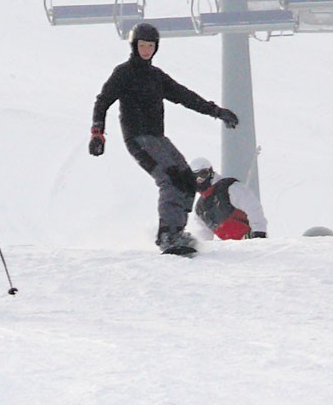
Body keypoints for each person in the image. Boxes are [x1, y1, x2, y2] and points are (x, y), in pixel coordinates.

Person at [89, 21, 239, 255]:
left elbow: (185, 96)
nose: (146, 50)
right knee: (169, 180)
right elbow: (103, 101)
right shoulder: (124, 73)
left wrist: (217, 111)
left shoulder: (156, 77)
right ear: (134, 46)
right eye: (142, 45)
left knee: (187, 180)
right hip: (138, 139)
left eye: (150, 46)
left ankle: (176, 231)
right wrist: (97, 133)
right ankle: (167, 235)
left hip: (158, 138)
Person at [189, 157, 268, 240]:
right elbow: (203, 236)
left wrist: (259, 232)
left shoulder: (229, 188)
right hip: (232, 250)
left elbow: (253, 208)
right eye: (194, 177)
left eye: (203, 174)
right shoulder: (200, 208)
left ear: (211, 173)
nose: (199, 180)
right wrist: (199, 249)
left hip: (250, 241)